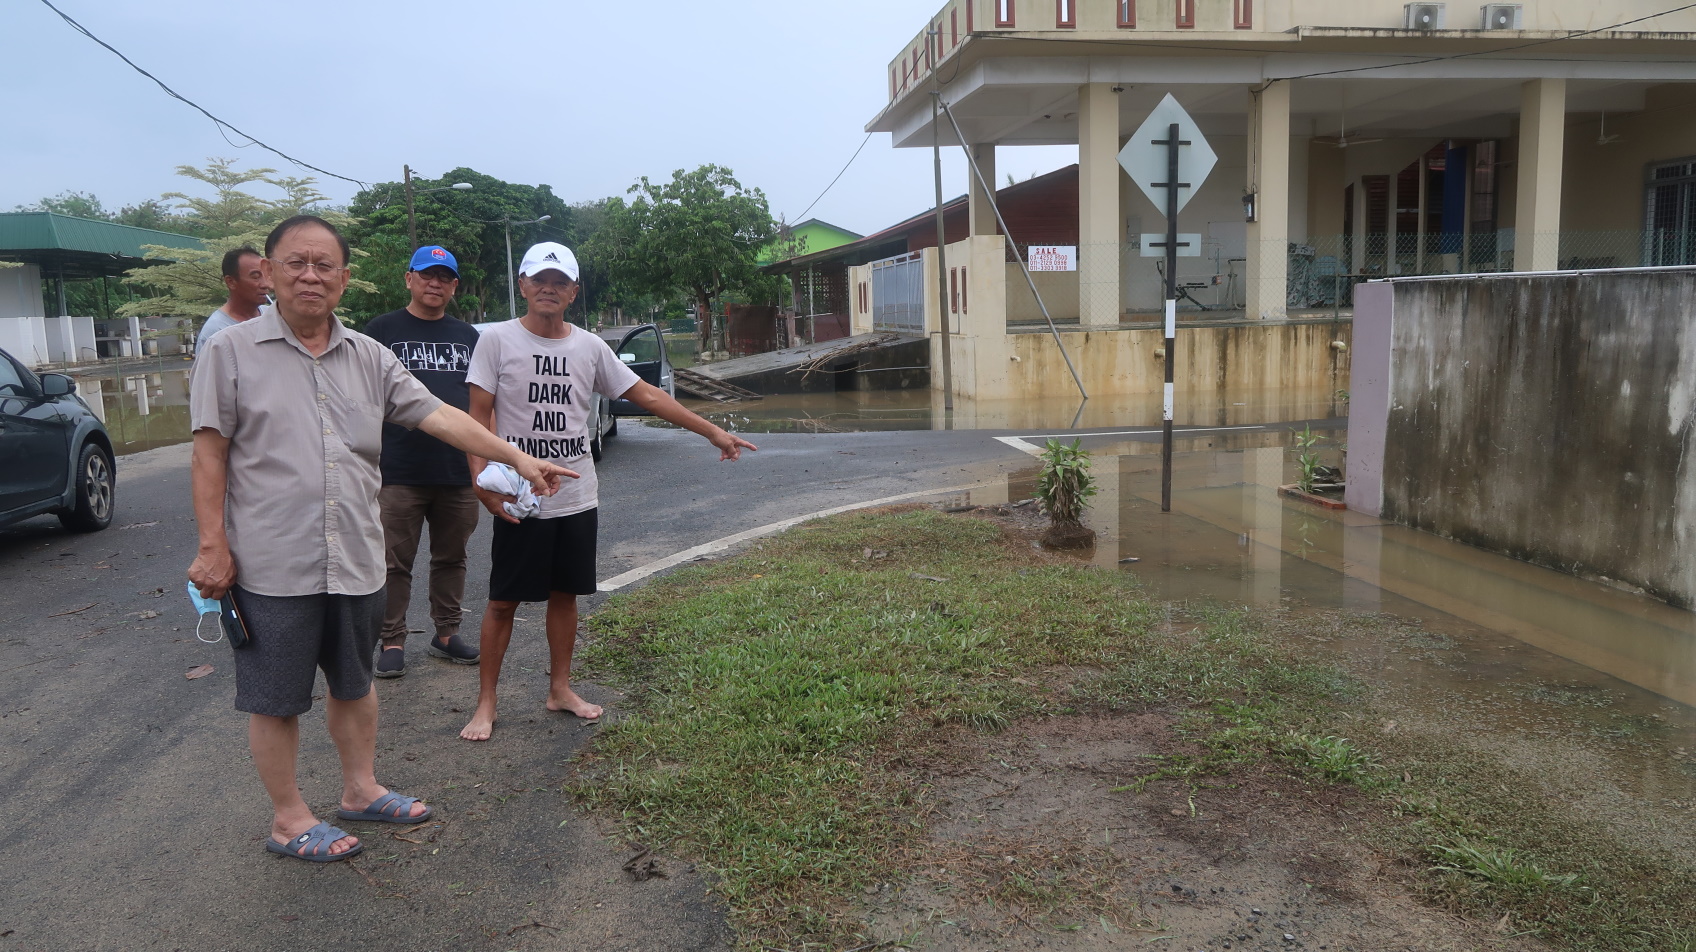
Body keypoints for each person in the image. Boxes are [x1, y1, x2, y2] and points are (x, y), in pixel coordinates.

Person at [187, 216, 574, 863]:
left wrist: (517, 457)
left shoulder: (370, 356)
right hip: (273, 563)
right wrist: (211, 546)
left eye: (325, 265)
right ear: (271, 274)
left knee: (355, 683)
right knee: (276, 699)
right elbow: (209, 454)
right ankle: (288, 819)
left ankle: (361, 789)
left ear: (343, 278)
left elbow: (441, 415)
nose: (311, 275)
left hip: (359, 555)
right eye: (296, 263)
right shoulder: (229, 352)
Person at [459, 241, 757, 741]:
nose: (548, 289)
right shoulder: (497, 342)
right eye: (539, 280)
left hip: (576, 496)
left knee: (565, 594)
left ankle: (560, 689)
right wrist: (483, 483)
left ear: (573, 291)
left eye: (560, 282)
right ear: (523, 285)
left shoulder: (590, 347)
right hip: (521, 495)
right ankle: (486, 703)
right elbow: (477, 417)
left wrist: (712, 431)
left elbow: (648, 394)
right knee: (503, 601)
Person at [363, 246, 483, 678]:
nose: (435, 283)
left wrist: (486, 462)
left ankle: (446, 633)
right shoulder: (381, 331)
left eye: (444, 278)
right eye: (427, 275)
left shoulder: (469, 336)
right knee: (393, 562)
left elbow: (483, 402)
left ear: (453, 286)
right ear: (408, 278)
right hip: (398, 471)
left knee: (452, 557)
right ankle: (391, 639)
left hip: (457, 472)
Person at [195, 246, 270, 353]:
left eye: (266, 275)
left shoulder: (272, 315)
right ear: (231, 282)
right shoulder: (215, 332)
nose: (265, 284)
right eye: (255, 276)